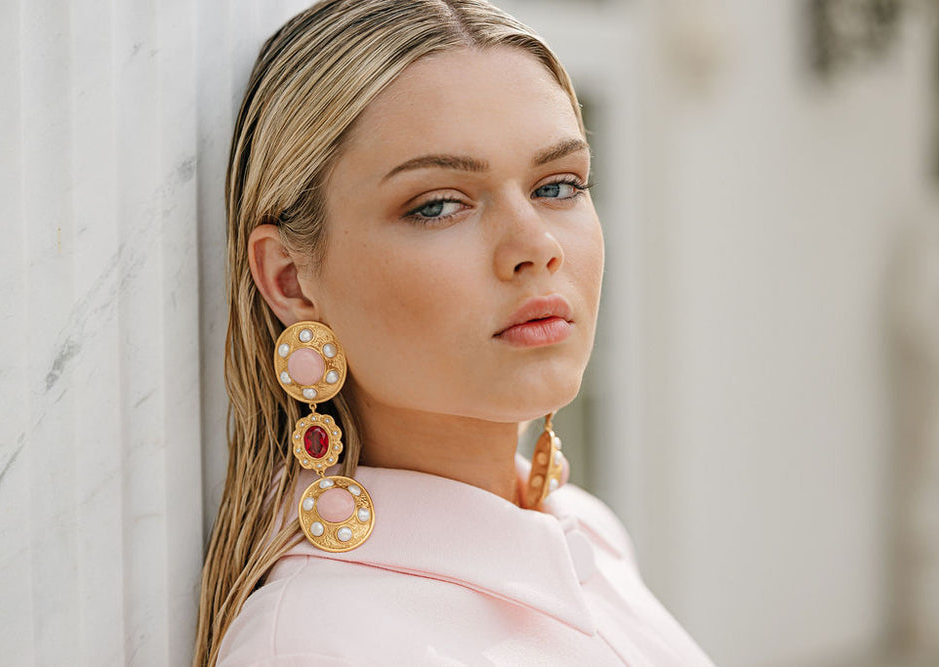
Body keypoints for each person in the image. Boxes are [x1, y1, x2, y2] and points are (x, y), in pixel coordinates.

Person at [194, 1, 715, 664]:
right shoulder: (318, 641)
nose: (537, 245)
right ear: (291, 280)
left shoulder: (587, 530)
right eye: (439, 204)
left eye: (559, 184)